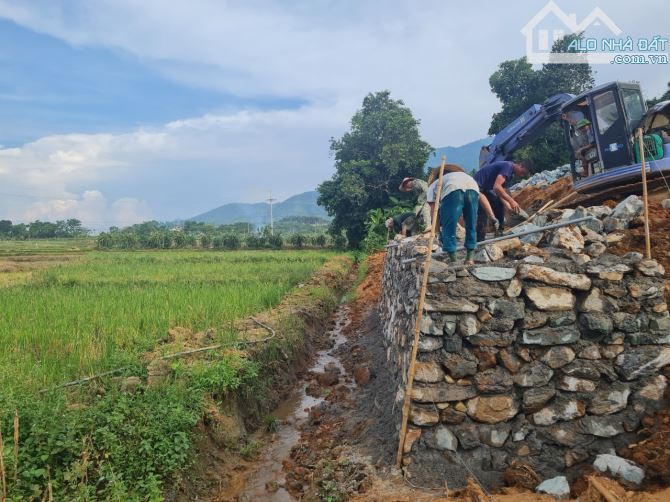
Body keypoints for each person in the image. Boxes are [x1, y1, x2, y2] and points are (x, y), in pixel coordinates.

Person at [425, 171, 498, 264]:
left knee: (448, 226)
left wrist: (437, 231)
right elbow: (482, 196)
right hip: (473, 188)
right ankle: (469, 259)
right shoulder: (462, 177)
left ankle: (453, 261)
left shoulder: (433, 186)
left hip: (453, 189)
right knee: (471, 224)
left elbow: (433, 212)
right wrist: (492, 216)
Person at [473, 159, 530, 241]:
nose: (521, 175)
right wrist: (512, 201)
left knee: (498, 204)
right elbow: (497, 187)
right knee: (483, 212)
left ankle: (499, 233)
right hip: (476, 186)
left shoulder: (510, 175)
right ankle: (480, 242)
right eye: (522, 172)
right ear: (520, 165)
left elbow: (500, 193)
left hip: (486, 189)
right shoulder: (508, 166)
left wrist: (509, 207)